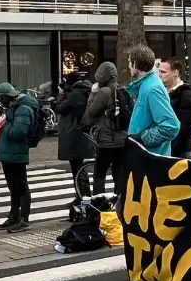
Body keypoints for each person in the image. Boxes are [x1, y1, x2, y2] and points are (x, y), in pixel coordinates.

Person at [0, 82, 39, 233]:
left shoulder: (24, 109)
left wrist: (3, 125)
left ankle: (24, 219)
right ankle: (13, 216)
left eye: (1, 98)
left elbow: (18, 133)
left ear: (7, 96)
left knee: (21, 187)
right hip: (9, 154)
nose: (0, 101)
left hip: (17, 154)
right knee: (13, 188)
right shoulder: (14, 107)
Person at [125, 45, 180, 161]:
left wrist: (140, 138)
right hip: (145, 158)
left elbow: (171, 126)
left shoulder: (152, 89)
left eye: (130, 62)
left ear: (135, 63)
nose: (129, 65)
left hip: (150, 161)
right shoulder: (147, 85)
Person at [83, 62, 126, 197]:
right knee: (118, 175)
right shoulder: (121, 89)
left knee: (99, 175)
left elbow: (91, 113)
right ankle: (118, 205)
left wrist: (93, 94)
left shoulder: (104, 92)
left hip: (106, 140)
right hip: (122, 139)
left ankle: (99, 206)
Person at [56, 75, 95, 202]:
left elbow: (60, 108)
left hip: (74, 134)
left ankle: (84, 196)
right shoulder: (85, 91)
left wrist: (61, 94)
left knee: (77, 168)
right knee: (78, 166)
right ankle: (82, 196)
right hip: (80, 134)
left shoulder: (75, 94)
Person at [157, 59, 191, 159]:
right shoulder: (163, 92)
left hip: (179, 151)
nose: (159, 75)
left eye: (163, 72)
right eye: (159, 71)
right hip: (165, 149)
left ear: (175, 73)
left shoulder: (185, 94)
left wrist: (174, 145)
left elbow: (188, 125)